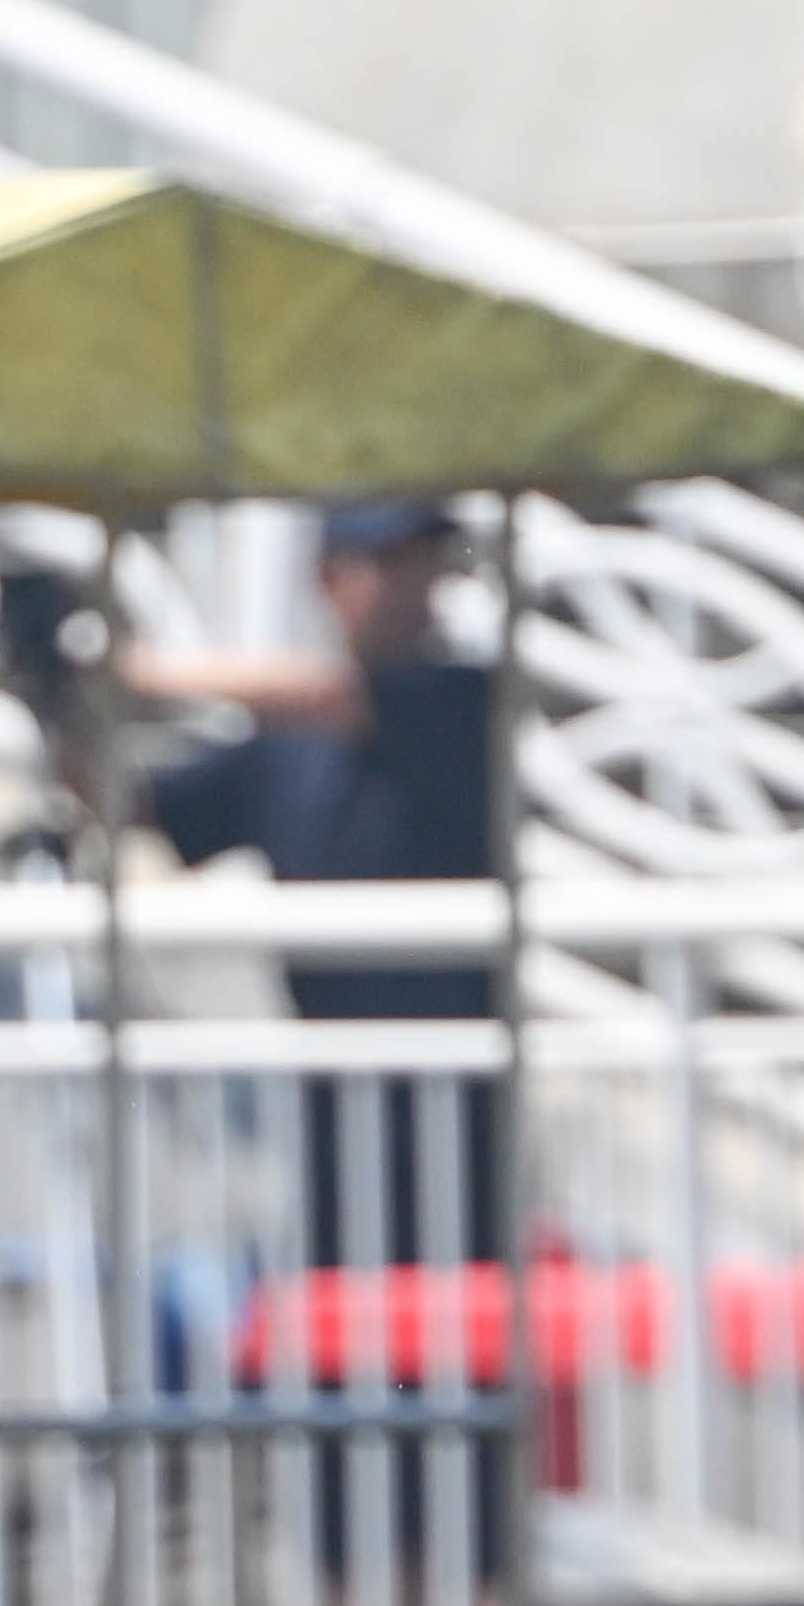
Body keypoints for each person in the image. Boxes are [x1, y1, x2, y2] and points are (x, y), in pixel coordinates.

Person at [124, 493, 508, 1279]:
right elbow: (141, 809)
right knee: (346, 1324)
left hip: (459, 1101)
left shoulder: (467, 697)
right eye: (388, 562)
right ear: (329, 580)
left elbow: (336, 697)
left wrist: (140, 671)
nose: (416, 583)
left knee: (458, 1328)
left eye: (425, 561)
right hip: (335, 1109)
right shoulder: (280, 751)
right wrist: (61, 704)